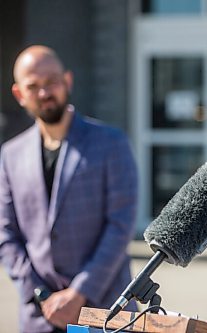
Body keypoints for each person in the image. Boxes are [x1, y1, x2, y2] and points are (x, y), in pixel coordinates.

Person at [0, 45, 138, 333]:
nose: (44, 93)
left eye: (51, 82)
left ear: (68, 81)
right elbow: (5, 233)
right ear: (19, 94)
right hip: (41, 316)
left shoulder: (111, 143)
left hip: (104, 311)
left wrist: (79, 293)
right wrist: (40, 295)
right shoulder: (10, 155)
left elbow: (121, 225)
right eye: (33, 86)